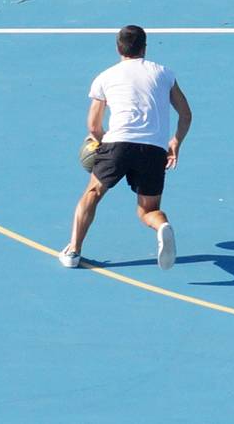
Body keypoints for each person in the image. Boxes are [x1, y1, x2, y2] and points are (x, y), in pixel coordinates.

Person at [59, 25, 192, 270]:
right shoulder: (164, 74)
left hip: (117, 144)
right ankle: (162, 226)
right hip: (153, 150)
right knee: (148, 211)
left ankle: (73, 251)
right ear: (144, 47)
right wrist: (176, 142)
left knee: (92, 193)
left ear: (118, 48)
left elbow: (93, 125)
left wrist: (100, 143)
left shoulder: (105, 76)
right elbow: (185, 114)